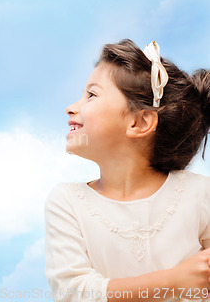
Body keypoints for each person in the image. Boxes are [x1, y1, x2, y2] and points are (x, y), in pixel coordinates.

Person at [45, 39, 210, 301]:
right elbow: (73, 292)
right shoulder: (67, 202)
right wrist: (174, 280)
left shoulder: (201, 194)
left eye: (91, 95)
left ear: (140, 122)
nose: (71, 107)